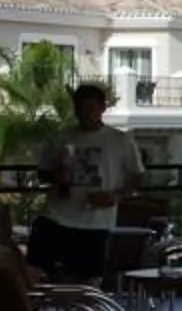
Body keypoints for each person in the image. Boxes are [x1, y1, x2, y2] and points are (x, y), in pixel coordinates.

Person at [32, 82, 144, 282]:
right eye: (80, 108)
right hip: (57, 215)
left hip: (96, 220)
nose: (85, 113)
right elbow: (42, 172)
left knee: (90, 278)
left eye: (90, 108)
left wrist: (115, 196)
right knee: (36, 268)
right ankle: (35, 308)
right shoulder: (60, 137)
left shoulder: (120, 140)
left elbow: (137, 176)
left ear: (102, 108)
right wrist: (56, 177)